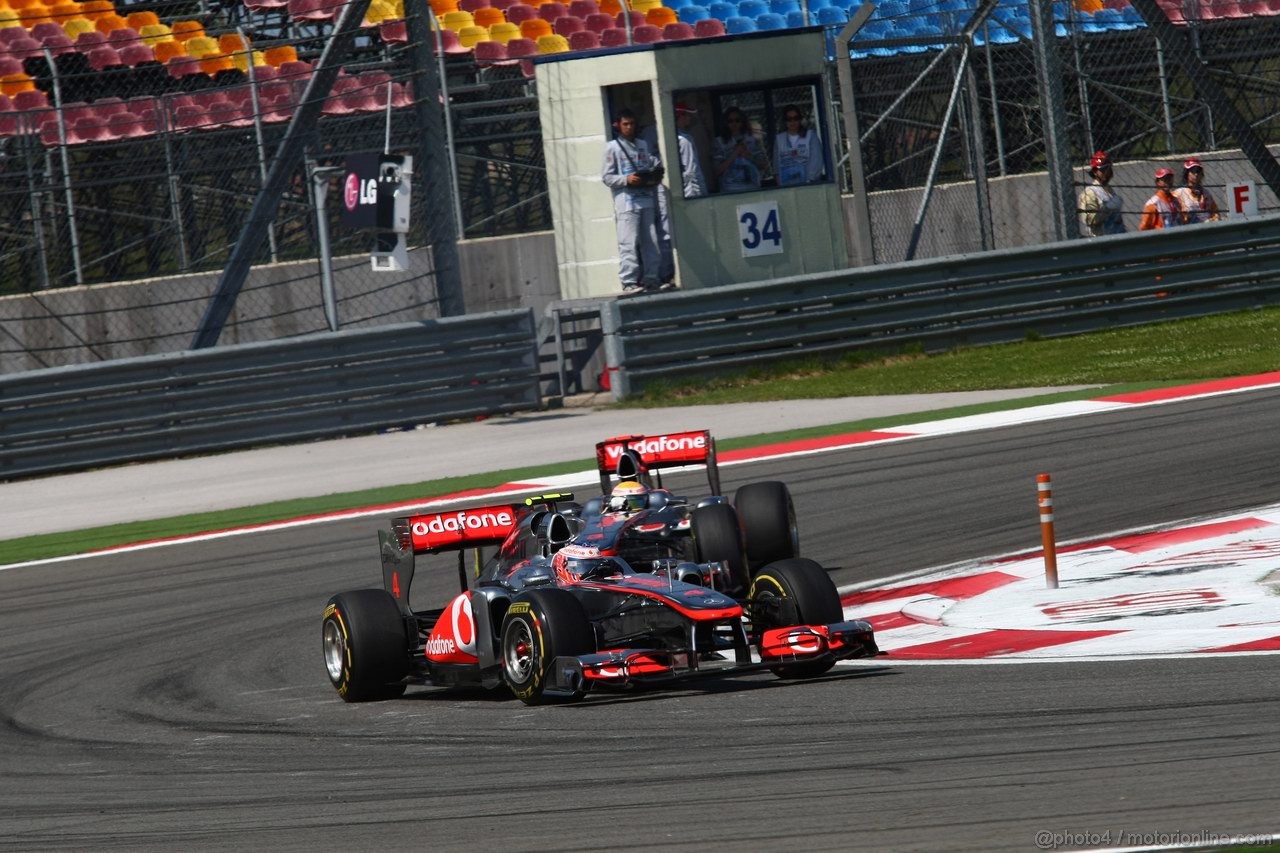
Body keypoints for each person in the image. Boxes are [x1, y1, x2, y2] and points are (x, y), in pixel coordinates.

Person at [639, 102, 707, 286]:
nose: (689, 119)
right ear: (678, 116)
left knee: (677, 233)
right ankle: (665, 272)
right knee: (664, 232)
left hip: (677, 190)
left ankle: (676, 273)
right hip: (662, 190)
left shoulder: (683, 138)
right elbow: (690, 172)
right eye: (686, 116)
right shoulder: (654, 134)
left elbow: (690, 171)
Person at [602, 108, 663, 296]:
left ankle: (652, 278)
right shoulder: (612, 147)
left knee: (651, 241)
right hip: (627, 202)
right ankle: (628, 280)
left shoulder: (642, 145)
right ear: (618, 126)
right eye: (625, 124)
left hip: (646, 199)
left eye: (632, 124)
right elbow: (607, 177)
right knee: (628, 242)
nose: (629, 127)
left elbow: (652, 164)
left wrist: (654, 173)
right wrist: (626, 180)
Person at [712, 106, 768, 193]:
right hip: (730, 190)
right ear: (725, 123)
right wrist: (735, 153)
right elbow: (716, 171)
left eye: (737, 120)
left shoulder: (752, 139)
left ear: (742, 121)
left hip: (752, 188)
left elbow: (764, 165)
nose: (734, 124)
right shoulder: (719, 142)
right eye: (730, 121)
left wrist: (748, 155)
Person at [772, 105, 825, 186]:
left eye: (796, 118)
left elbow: (816, 161)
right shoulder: (779, 139)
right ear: (785, 121)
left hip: (807, 184)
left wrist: (809, 181)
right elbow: (777, 165)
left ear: (800, 119)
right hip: (786, 185)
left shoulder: (811, 136)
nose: (793, 121)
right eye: (789, 119)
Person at [1078, 150, 1125, 237]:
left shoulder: (1110, 191)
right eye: (1103, 169)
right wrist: (1107, 208)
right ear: (1095, 172)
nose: (1107, 172)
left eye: (1108, 168)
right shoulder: (1090, 192)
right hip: (1101, 241)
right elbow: (1090, 220)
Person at [1173, 158, 1220, 224]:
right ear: (1187, 173)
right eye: (1193, 171)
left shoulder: (1206, 193)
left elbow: (1215, 212)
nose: (1196, 174)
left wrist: (1215, 219)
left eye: (1198, 171)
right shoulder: (1179, 193)